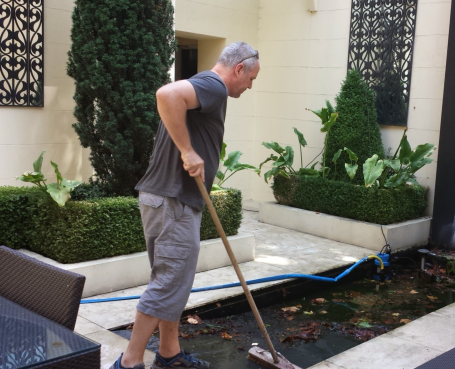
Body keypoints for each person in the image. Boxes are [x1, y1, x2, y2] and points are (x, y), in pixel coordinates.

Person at [110, 41, 260, 369]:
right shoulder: (214, 86)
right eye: (251, 79)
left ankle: (169, 353)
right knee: (170, 281)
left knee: (171, 280)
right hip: (173, 200)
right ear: (239, 69)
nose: (250, 86)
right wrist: (188, 151)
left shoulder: (206, 88)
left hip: (165, 199)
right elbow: (166, 95)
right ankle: (130, 362)